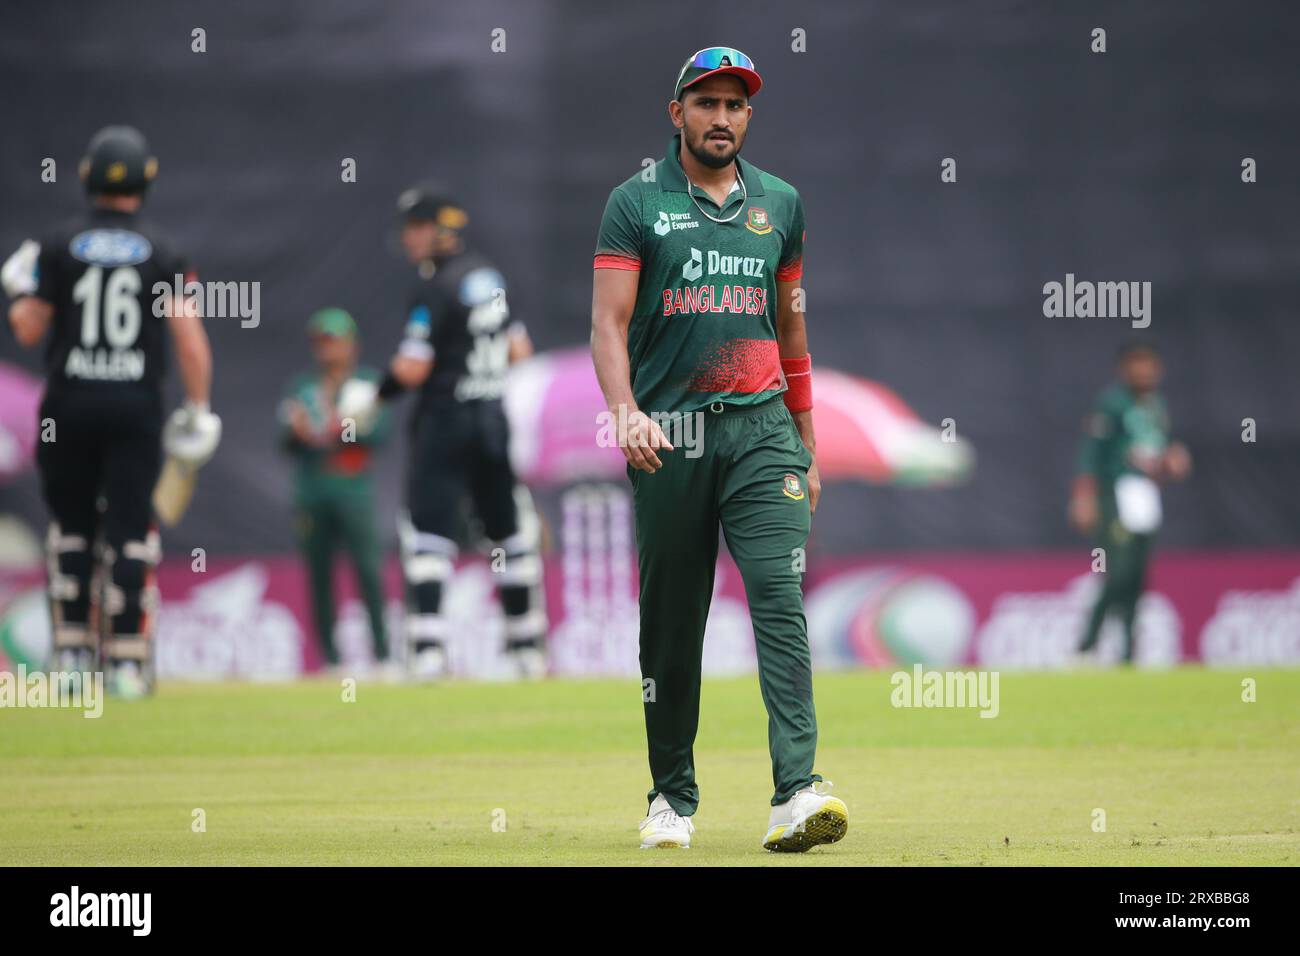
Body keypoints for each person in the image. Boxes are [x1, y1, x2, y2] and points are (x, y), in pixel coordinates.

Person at [590, 47, 847, 851]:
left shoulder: (781, 204)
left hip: (763, 433)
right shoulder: (636, 204)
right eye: (707, 103)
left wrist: (806, 444)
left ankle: (797, 792)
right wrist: (625, 411)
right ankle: (671, 797)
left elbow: (793, 328)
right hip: (671, 435)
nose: (722, 118)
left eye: (736, 105)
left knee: (780, 596)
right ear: (678, 114)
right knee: (672, 624)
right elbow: (607, 324)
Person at [2, 125, 220, 697]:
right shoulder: (165, 252)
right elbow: (189, 338)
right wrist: (199, 407)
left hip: (68, 408)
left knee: (72, 532)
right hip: (135, 410)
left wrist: (20, 288)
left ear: (86, 178)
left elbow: (28, 329)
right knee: (129, 533)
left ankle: (72, 658)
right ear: (146, 181)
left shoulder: (56, 246)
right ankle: (125, 662)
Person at [339, 186, 546, 680]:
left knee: (429, 535)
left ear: (436, 229)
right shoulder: (489, 276)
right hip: (493, 424)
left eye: (413, 229)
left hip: (444, 423)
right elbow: (522, 352)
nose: (407, 240)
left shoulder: (433, 285)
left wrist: (372, 397)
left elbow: (412, 368)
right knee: (509, 535)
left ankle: (428, 654)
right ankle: (527, 652)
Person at [279, 308, 391, 672]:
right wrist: (296, 434)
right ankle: (330, 660)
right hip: (312, 491)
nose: (328, 350)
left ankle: (382, 656)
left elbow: (378, 433)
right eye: (321, 342)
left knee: (368, 571)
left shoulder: (367, 384)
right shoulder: (302, 387)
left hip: (352, 489)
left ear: (352, 345)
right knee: (320, 575)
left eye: (335, 341)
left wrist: (337, 429)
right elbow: (285, 441)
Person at [1070, 341, 1191, 664]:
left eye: (1148, 364)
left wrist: (1171, 461)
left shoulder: (1156, 406)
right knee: (1118, 573)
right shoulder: (1112, 403)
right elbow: (1091, 453)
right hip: (1115, 492)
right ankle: (1087, 645)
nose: (1143, 371)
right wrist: (1084, 497)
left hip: (1145, 496)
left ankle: (1127, 653)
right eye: (1136, 364)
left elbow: (1152, 454)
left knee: (1138, 576)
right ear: (1123, 369)